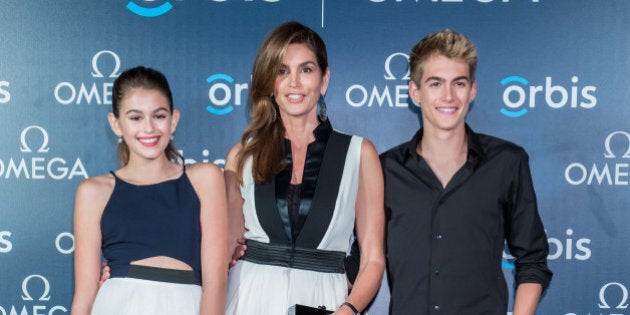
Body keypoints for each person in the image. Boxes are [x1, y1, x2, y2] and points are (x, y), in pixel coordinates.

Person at [377, 29, 553, 314]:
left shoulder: (507, 162)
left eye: (458, 83)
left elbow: (532, 259)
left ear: (472, 90)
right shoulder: (386, 169)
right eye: (435, 84)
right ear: (415, 91)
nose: (448, 96)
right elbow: (365, 259)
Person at [224, 21, 385, 315]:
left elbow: (373, 258)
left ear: (324, 80)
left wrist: (348, 310)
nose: (294, 82)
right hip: (249, 298)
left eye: (306, 69)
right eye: (282, 70)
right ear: (269, 83)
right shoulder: (242, 156)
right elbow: (219, 245)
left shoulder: (359, 154)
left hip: (325, 299)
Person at [71, 66, 228, 315]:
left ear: (173, 119)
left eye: (159, 116)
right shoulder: (93, 192)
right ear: (116, 124)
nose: (149, 128)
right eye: (135, 117)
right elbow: (84, 295)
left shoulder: (206, 178)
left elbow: (216, 283)